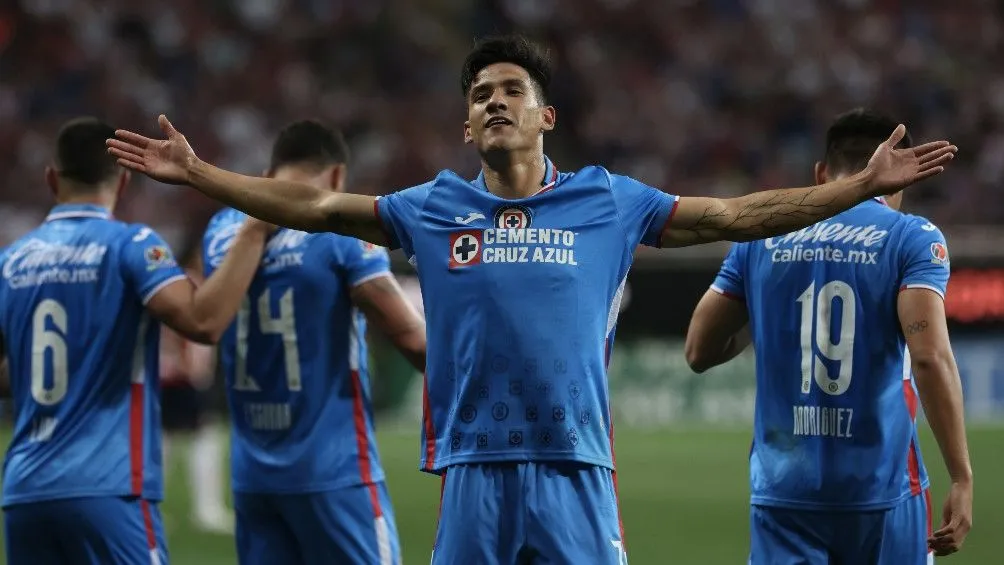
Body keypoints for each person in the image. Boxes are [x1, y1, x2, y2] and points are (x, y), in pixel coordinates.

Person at [107, 36, 958, 564]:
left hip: (577, 468)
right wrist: (199, 175)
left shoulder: (609, 200)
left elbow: (738, 214)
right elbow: (322, 207)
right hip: (472, 467)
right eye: (480, 95)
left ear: (546, 113)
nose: (494, 101)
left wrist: (855, 191)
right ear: (467, 128)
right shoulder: (433, 206)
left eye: (511, 89)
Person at [685, 109, 973, 563]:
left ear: (822, 173)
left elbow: (699, 350)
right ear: (901, 178)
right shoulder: (912, 237)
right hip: (884, 489)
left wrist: (766, 310)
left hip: (783, 491)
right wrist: (961, 477)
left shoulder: (762, 237)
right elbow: (930, 358)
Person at [0, 117, 271, 565]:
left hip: (24, 491)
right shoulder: (131, 245)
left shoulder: (11, 261)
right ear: (123, 182)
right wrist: (255, 231)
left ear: (52, 178)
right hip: (107, 488)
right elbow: (203, 322)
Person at [202, 120, 426, 565]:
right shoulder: (339, 232)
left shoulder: (220, 232)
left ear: (269, 174)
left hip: (253, 476)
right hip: (334, 471)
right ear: (338, 178)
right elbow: (409, 338)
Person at [159, 246, 234, 535]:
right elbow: (183, 327)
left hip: (171, 375)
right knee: (203, 438)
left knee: (163, 441)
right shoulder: (190, 283)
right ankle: (207, 509)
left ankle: (151, 508)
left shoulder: (176, 283)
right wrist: (189, 364)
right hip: (182, 377)